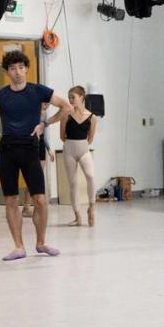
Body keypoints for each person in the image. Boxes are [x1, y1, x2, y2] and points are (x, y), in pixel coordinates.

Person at [0, 50, 71, 261]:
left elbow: (66, 107)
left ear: (26, 69)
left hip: (30, 150)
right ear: (7, 72)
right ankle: (18, 246)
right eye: (13, 68)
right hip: (7, 152)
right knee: (11, 200)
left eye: (21, 67)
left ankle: (41, 242)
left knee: (41, 200)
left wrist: (45, 124)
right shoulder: (0, 96)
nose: (17, 72)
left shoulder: (38, 91)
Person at [61, 86, 99, 227]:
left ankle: (92, 207)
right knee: (72, 183)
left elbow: (90, 138)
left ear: (82, 97)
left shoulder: (92, 117)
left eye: (73, 97)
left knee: (90, 176)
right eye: (69, 97)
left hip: (84, 149)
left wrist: (81, 145)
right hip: (69, 149)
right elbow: (62, 136)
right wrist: (71, 145)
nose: (70, 100)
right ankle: (77, 215)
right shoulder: (66, 115)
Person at [22, 123, 55, 218]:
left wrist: (49, 149)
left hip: (40, 146)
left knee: (38, 178)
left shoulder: (44, 117)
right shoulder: (31, 113)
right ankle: (26, 207)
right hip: (30, 145)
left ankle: (37, 205)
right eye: (45, 106)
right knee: (31, 179)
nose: (46, 107)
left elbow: (43, 136)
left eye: (47, 106)